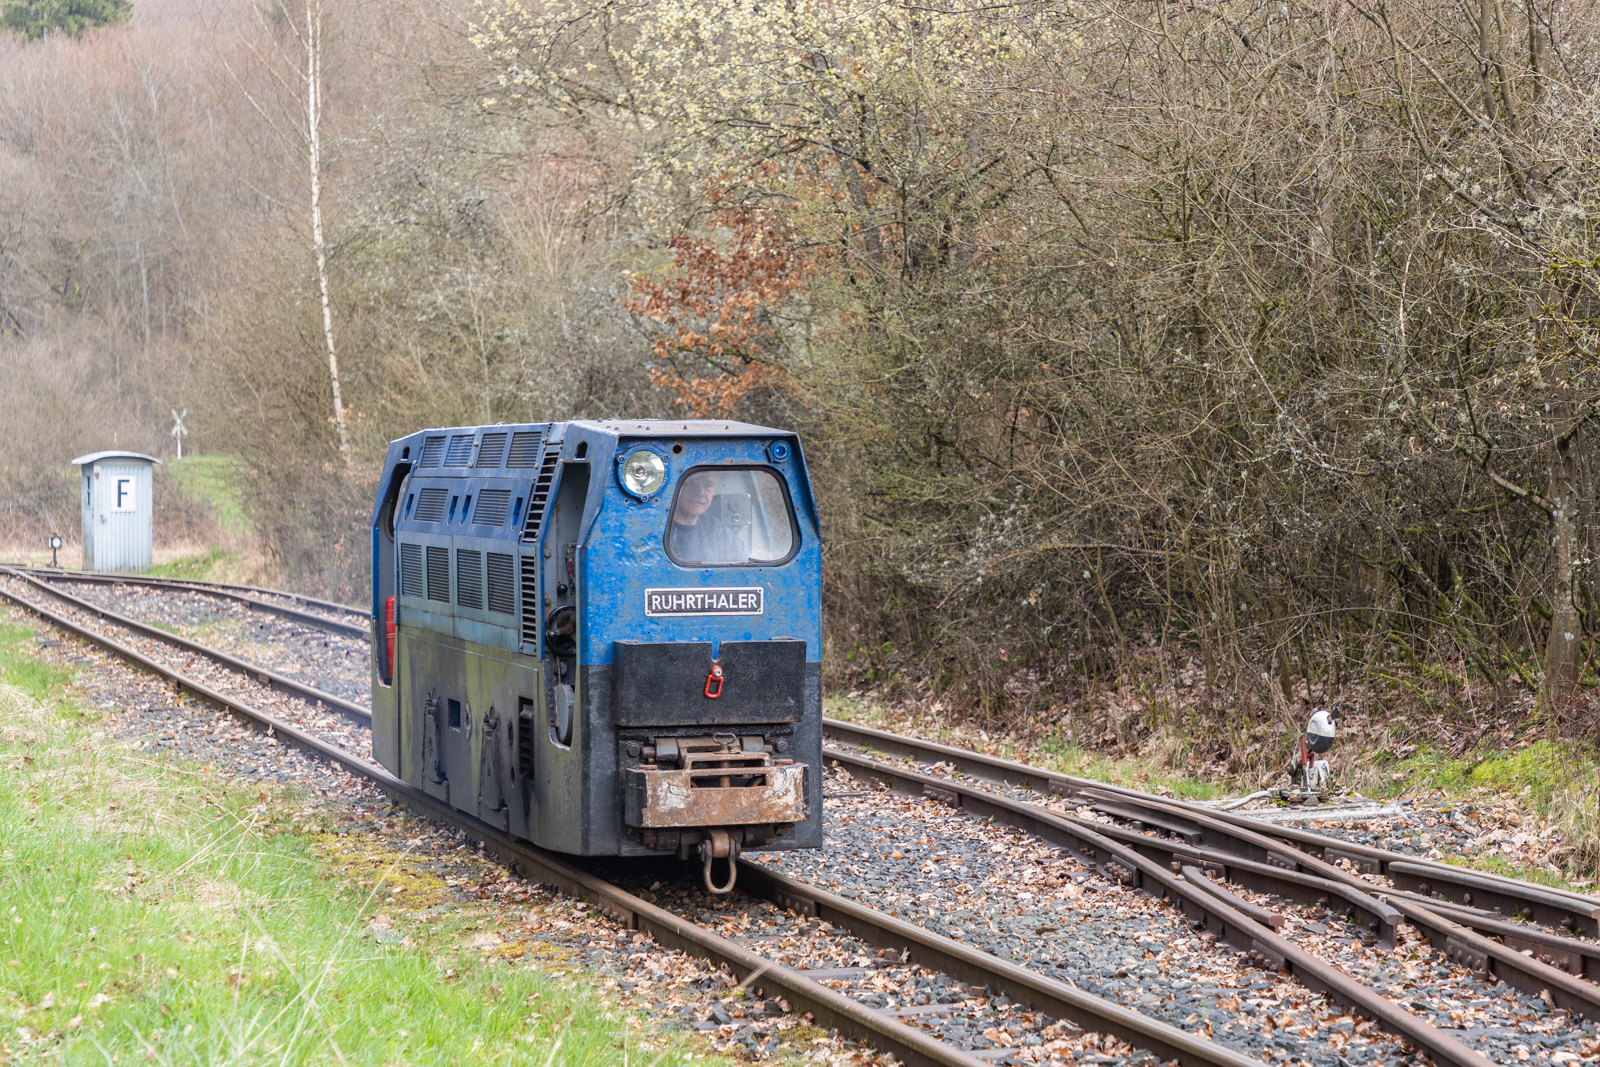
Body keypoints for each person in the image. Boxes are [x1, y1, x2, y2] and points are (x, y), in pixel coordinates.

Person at [668, 472, 744, 563]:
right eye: (691, 483)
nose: (700, 493)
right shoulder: (660, 526)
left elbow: (745, 560)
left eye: (708, 485)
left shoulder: (716, 528)